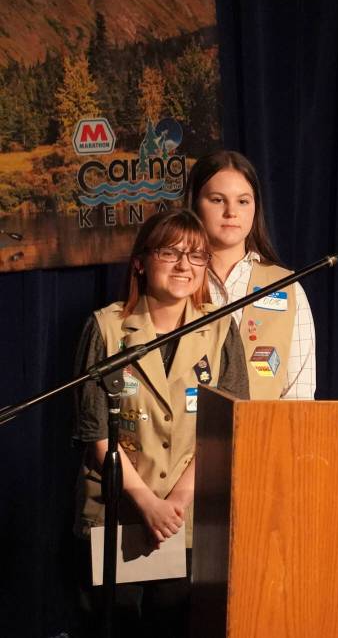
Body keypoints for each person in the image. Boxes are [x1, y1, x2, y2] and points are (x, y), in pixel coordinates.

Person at [72, 209, 249, 636]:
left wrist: (176, 503)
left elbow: (229, 428)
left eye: (196, 256)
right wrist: (147, 503)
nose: (184, 266)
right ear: (141, 261)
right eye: (170, 252)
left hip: (186, 519)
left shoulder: (221, 329)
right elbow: (94, 431)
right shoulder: (107, 328)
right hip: (118, 512)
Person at [186, 150, 316, 399]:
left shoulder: (286, 286)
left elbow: (299, 394)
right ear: (195, 204)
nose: (231, 212)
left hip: (265, 434)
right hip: (186, 435)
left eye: (243, 201)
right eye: (217, 200)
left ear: (256, 207)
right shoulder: (177, 279)